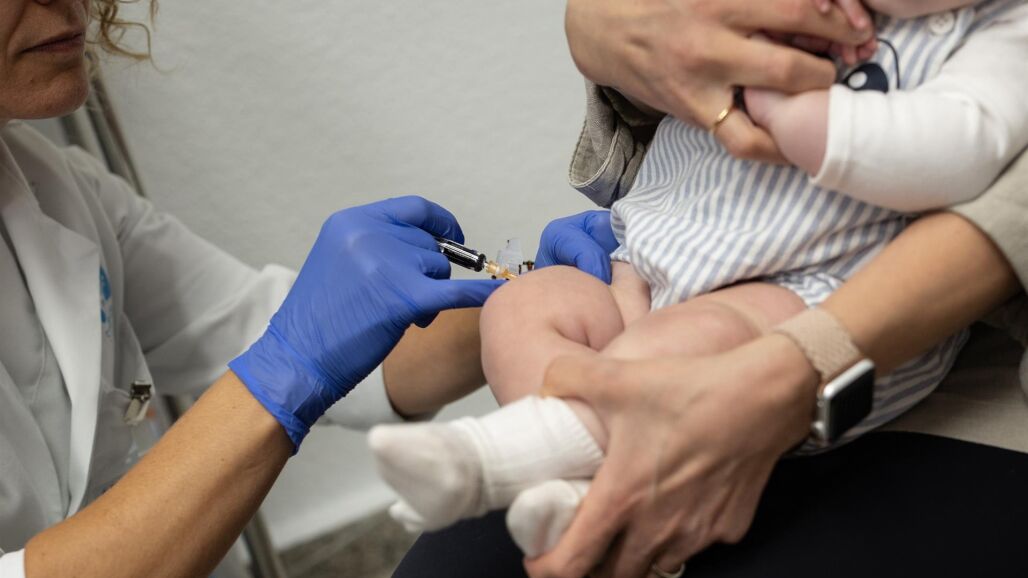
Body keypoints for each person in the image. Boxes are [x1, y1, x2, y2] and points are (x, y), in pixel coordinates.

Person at [376, 1, 1028, 577]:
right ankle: (568, 484)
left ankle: (487, 461)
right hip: (661, 252)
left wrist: (795, 113)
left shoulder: (1003, 35)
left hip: (809, 287)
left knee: (658, 351)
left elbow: (956, 153)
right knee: (525, 304)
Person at [0, 2, 514, 576]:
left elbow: (265, 328)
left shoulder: (57, 188)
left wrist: (529, 295)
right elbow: (288, 348)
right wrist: (289, 363)